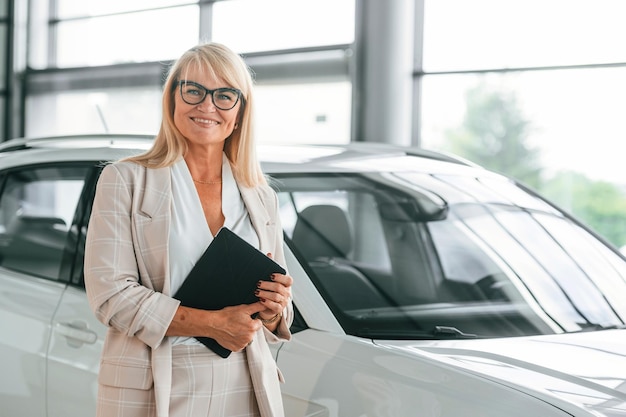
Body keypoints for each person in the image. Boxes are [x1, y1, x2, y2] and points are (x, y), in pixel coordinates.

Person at [84, 42, 293, 417]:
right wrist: (213, 324)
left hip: (244, 385)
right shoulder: (125, 180)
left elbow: (278, 309)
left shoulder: (261, 196)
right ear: (173, 98)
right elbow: (109, 294)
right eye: (193, 90)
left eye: (224, 94)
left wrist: (275, 309)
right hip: (158, 385)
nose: (207, 105)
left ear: (240, 111)